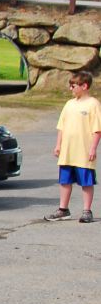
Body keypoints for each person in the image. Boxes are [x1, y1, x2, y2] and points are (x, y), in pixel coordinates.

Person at [45, 69, 101, 223]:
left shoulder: (93, 104)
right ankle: (63, 209)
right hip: (67, 151)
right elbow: (61, 127)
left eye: (74, 86)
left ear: (84, 86)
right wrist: (58, 145)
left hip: (83, 151)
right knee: (65, 181)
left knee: (86, 182)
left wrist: (93, 148)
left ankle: (87, 211)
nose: (71, 89)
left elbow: (97, 130)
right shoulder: (69, 104)